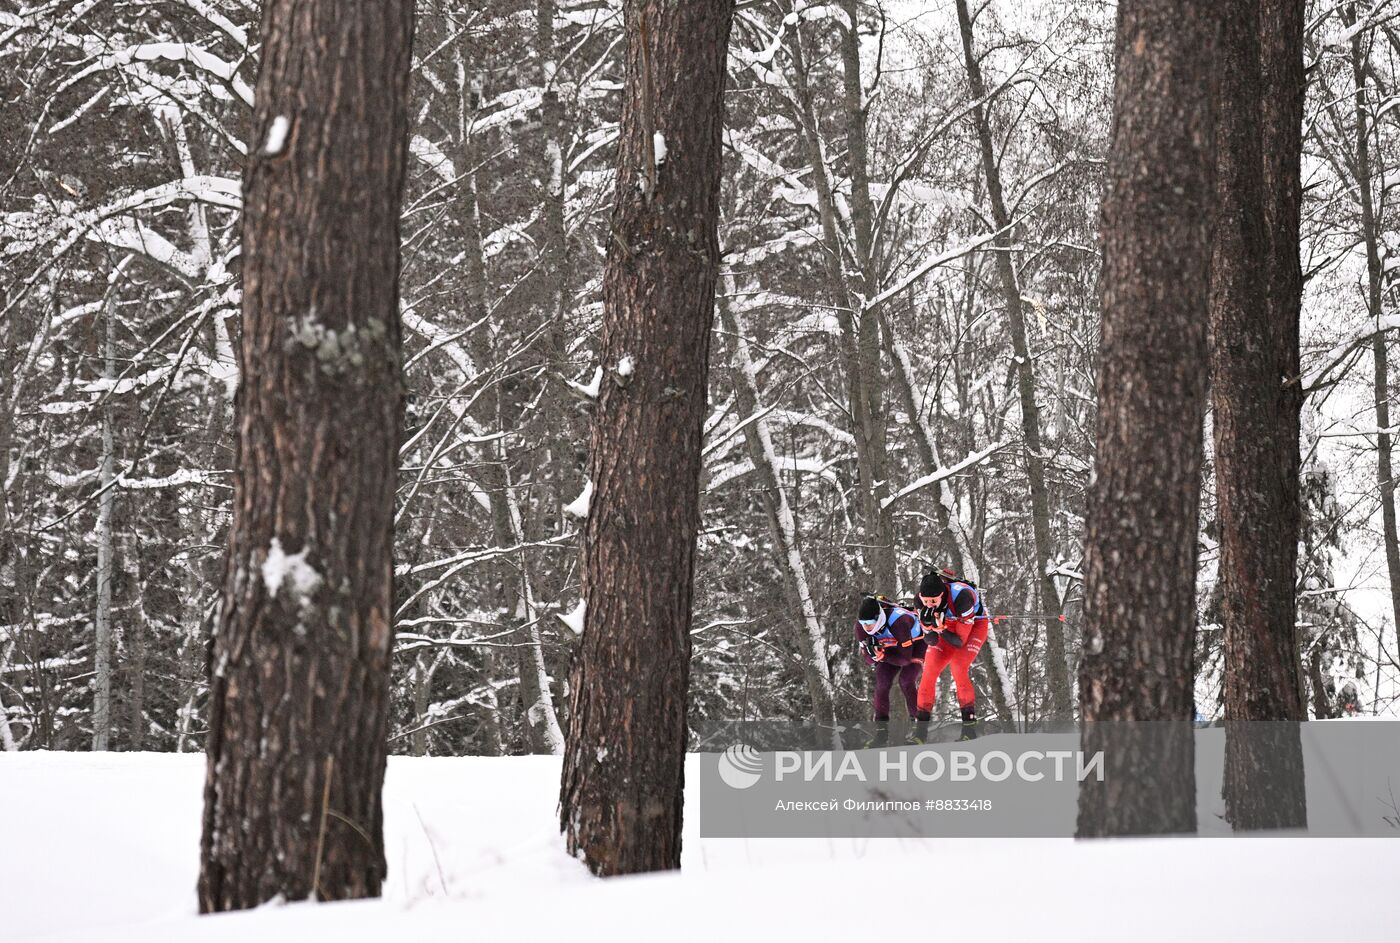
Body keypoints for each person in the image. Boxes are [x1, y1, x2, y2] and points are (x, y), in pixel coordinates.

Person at [913, 571, 989, 742]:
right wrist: (927, 626)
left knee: (958, 667)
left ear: (942, 594)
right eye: (926, 601)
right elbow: (931, 641)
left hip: (973, 628)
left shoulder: (962, 597)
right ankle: (920, 734)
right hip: (946, 628)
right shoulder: (919, 602)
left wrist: (940, 628)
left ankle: (969, 730)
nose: (929, 605)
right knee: (928, 673)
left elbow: (959, 641)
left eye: (933, 601)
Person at [854, 593, 927, 746]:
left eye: (870, 622)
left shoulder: (898, 621)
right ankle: (881, 734)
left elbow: (905, 659)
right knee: (882, 682)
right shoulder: (860, 628)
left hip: (916, 644)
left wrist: (881, 656)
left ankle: (920, 732)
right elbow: (867, 659)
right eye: (863, 622)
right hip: (891, 650)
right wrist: (876, 656)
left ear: (879, 617)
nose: (867, 627)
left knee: (906, 680)